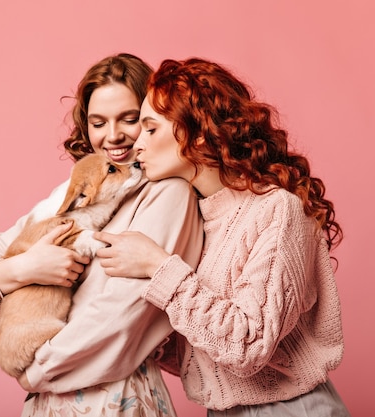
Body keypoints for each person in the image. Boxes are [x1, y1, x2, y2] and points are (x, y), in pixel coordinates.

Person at [94, 57, 351, 416]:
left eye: (151, 130)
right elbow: (210, 351)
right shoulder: (198, 218)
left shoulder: (276, 209)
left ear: (197, 133)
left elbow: (247, 346)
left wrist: (158, 267)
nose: (137, 143)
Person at [0, 53, 204, 417]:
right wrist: (25, 269)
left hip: (118, 401)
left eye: (129, 119)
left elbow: (119, 319)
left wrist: (35, 369)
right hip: (49, 405)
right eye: (98, 122)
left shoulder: (168, 194)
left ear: (153, 118)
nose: (113, 135)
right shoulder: (74, 190)